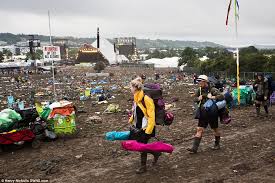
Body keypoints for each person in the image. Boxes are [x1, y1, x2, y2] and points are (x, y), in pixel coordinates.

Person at [128, 77, 161, 174]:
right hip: (139, 126)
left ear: (135, 88)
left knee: (142, 146)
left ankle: (143, 167)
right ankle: (156, 153)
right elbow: (136, 112)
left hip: (146, 127)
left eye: (131, 87)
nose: (130, 88)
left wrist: (148, 130)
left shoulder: (146, 98)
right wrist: (131, 119)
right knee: (141, 145)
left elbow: (151, 115)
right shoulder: (136, 97)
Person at [188, 75, 224, 153]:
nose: (199, 83)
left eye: (200, 81)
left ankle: (217, 144)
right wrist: (198, 98)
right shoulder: (199, 90)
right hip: (203, 112)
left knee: (215, 128)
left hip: (212, 112)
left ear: (205, 81)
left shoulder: (212, 89)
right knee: (199, 129)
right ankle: (194, 148)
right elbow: (194, 98)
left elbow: (222, 96)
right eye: (198, 81)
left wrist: (212, 97)